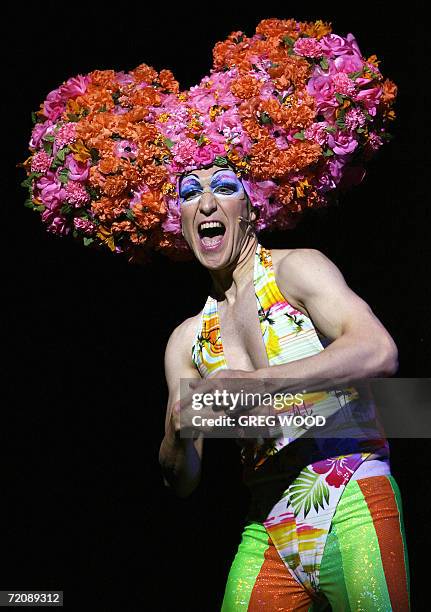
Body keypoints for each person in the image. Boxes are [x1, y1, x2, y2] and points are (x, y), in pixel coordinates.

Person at [157, 18, 409, 611]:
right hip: (267, 523)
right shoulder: (187, 340)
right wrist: (177, 426)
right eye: (190, 192)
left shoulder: (297, 270)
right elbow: (183, 481)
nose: (207, 201)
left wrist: (256, 383)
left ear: (254, 208)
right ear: (180, 220)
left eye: (225, 185)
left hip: (349, 492)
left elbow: (379, 352)